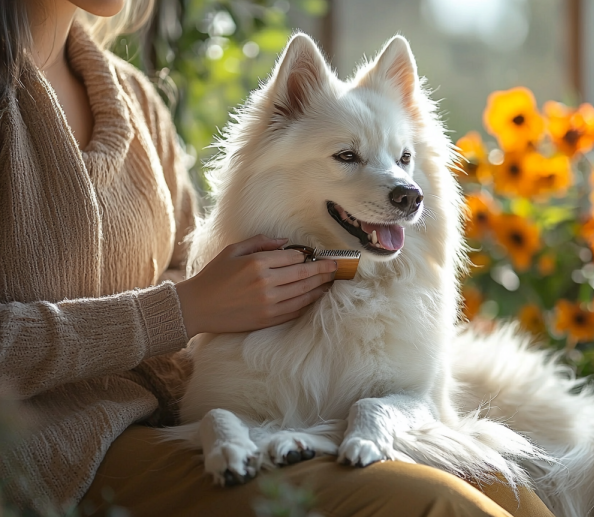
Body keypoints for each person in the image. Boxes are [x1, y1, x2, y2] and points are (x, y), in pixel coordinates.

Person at [0, 1, 555, 516]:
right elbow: (187, 299)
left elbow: (187, 261)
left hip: (168, 426)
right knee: (438, 505)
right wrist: (183, 311)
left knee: (513, 495)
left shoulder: (135, 101)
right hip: (52, 454)